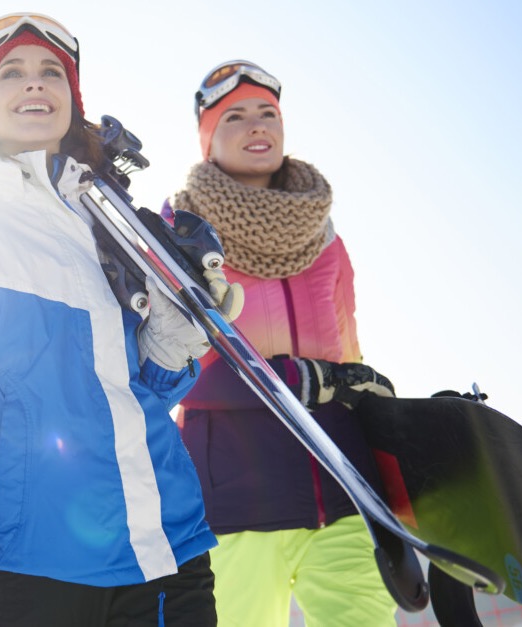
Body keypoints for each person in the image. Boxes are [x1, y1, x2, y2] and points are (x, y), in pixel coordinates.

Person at [0, 13, 243, 627]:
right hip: (29, 564)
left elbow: (136, 392)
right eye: (10, 73)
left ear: (73, 99)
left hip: (166, 547)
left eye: (52, 73)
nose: (35, 84)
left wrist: (171, 348)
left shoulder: (114, 220)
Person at [162, 61, 398, 626]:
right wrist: (298, 379)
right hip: (235, 508)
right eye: (234, 117)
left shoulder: (325, 237)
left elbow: (349, 357)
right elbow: (177, 369)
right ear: (208, 140)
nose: (256, 126)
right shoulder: (178, 232)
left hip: (344, 499)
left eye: (267, 113)